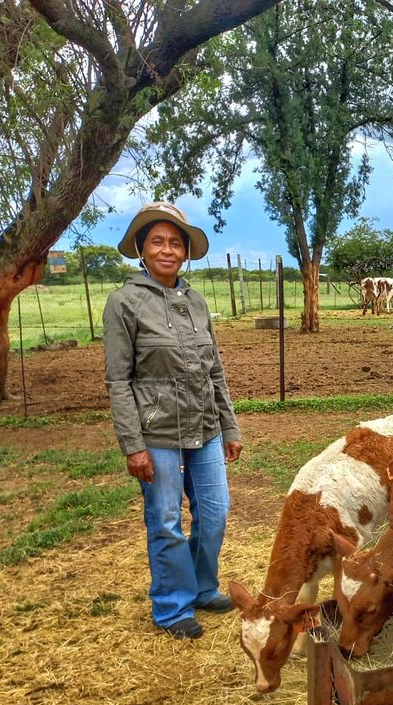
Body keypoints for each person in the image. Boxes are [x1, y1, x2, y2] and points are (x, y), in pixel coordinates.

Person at [103, 201, 243, 639]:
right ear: (142, 250)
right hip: (156, 432)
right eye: (157, 241)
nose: (167, 249)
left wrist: (230, 425)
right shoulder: (124, 302)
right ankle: (172, 606)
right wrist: (133, 444)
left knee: (216, 513)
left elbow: (214, 369)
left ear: (185, 252)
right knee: (165, 520)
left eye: (175, 243)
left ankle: (203, 587)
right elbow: (118, 380)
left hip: (204, 428)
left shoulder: (196, 302)